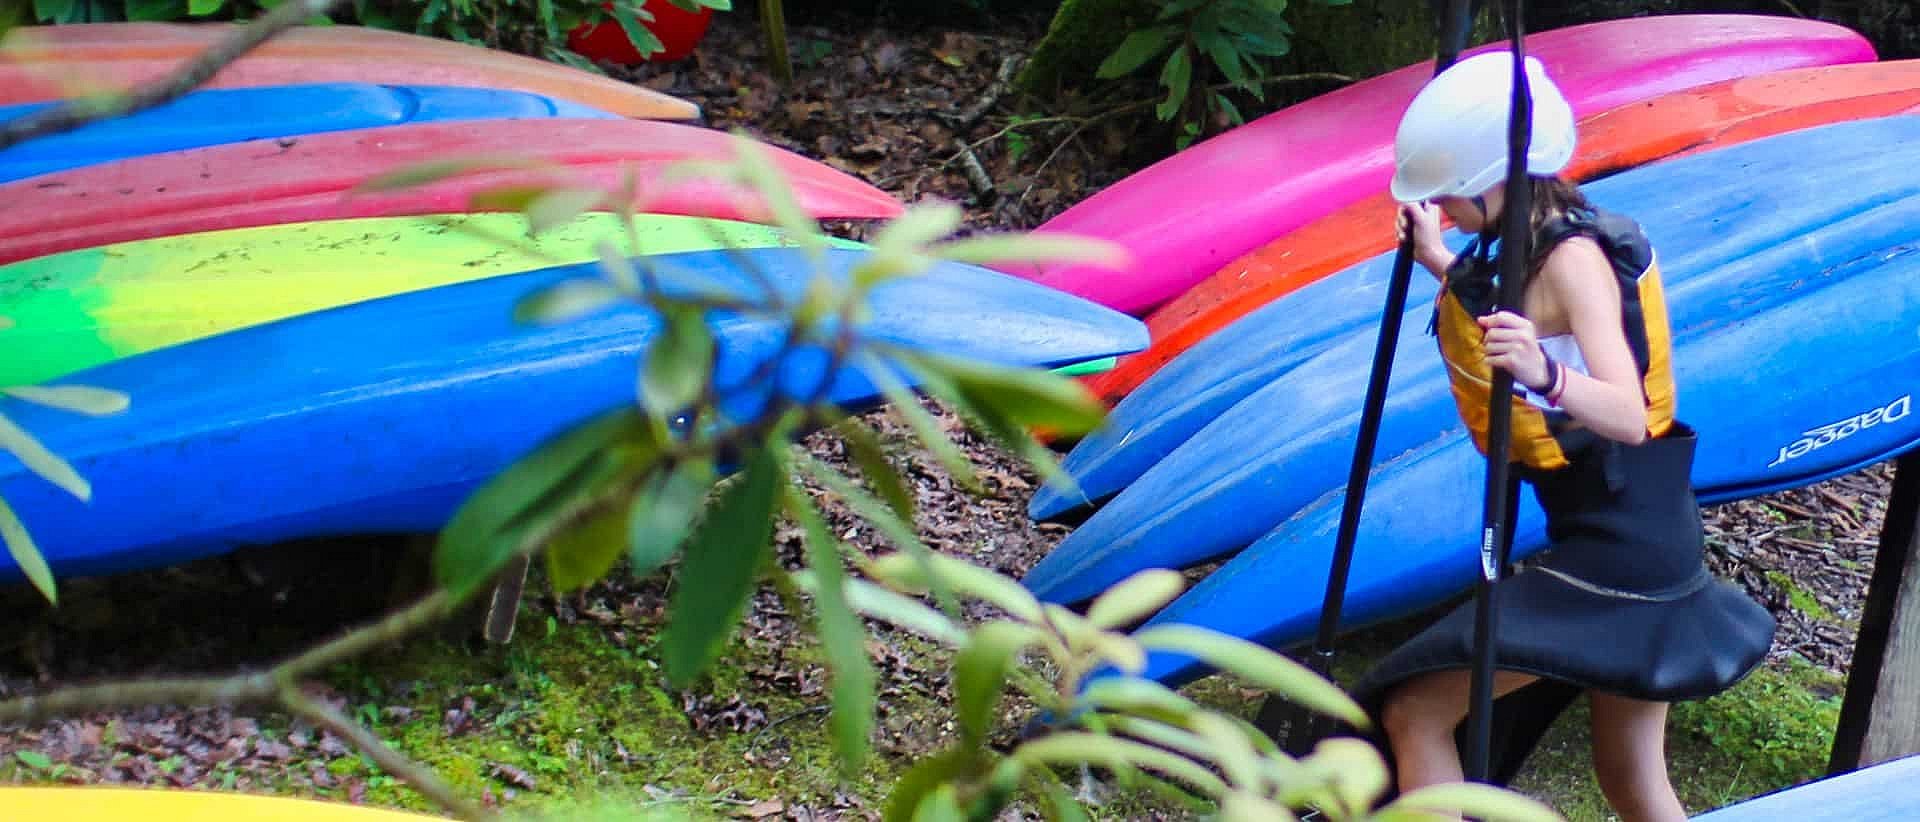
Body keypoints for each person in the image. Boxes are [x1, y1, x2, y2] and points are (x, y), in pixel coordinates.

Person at [1347, 50, 1777, 821]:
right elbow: (1509, 305)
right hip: (1637, 534)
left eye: (1450, 193)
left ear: (1499, 176)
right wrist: (1439, 260)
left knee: (1414, 710)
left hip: (1623, 553)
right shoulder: (1530, 239)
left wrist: (1545, 376)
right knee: (1627, 773)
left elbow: (1627, 415)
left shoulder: (1575, 260)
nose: (1442, 204)